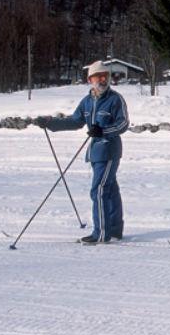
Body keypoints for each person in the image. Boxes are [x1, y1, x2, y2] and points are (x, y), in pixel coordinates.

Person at [35, 61, 129, 244]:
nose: (103, 79)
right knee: (110, 188)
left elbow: (123, 124)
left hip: (110, 151)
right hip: (95, 153)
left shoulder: (115, 99)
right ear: (90, 79)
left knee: (99, 190)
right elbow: (75, 121)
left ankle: (101, 234)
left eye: (105, 76)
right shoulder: (87, 101)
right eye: (98, 76)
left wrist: (104, 131)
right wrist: (49, 123)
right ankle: (115, 229)